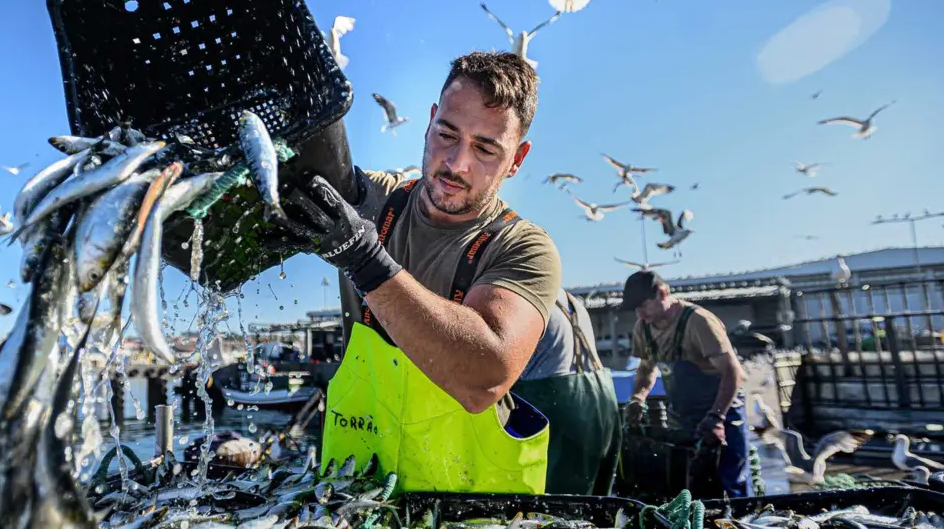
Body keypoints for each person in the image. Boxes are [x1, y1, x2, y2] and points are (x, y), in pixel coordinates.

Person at [274, 51, 562, 493]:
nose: (457, 163)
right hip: (351, 494)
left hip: (475, 515)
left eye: (485, 148)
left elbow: (484, 377)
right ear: (429, 123)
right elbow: (289, 175)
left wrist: (364, 259)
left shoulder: (523, 249)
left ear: (517, 159)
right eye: (447, 134)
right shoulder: (372, 203)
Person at [620, 270, 748, 497]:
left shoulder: (699, 322)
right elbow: (646, 370)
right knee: (688, 488)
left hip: (722, 413)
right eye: (636, 308)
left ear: (663, 293)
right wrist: (637, 398)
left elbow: (733, 373)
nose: (640, 313)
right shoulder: (643, 328)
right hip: (683, 418)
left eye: (644, 305)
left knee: (729, 487)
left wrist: (717, 417)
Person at [510, 289, 622, 495]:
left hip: (556, 403)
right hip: (602, 401)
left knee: (551, 500)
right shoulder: (572, 301)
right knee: (594, 498)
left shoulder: (525, 296)